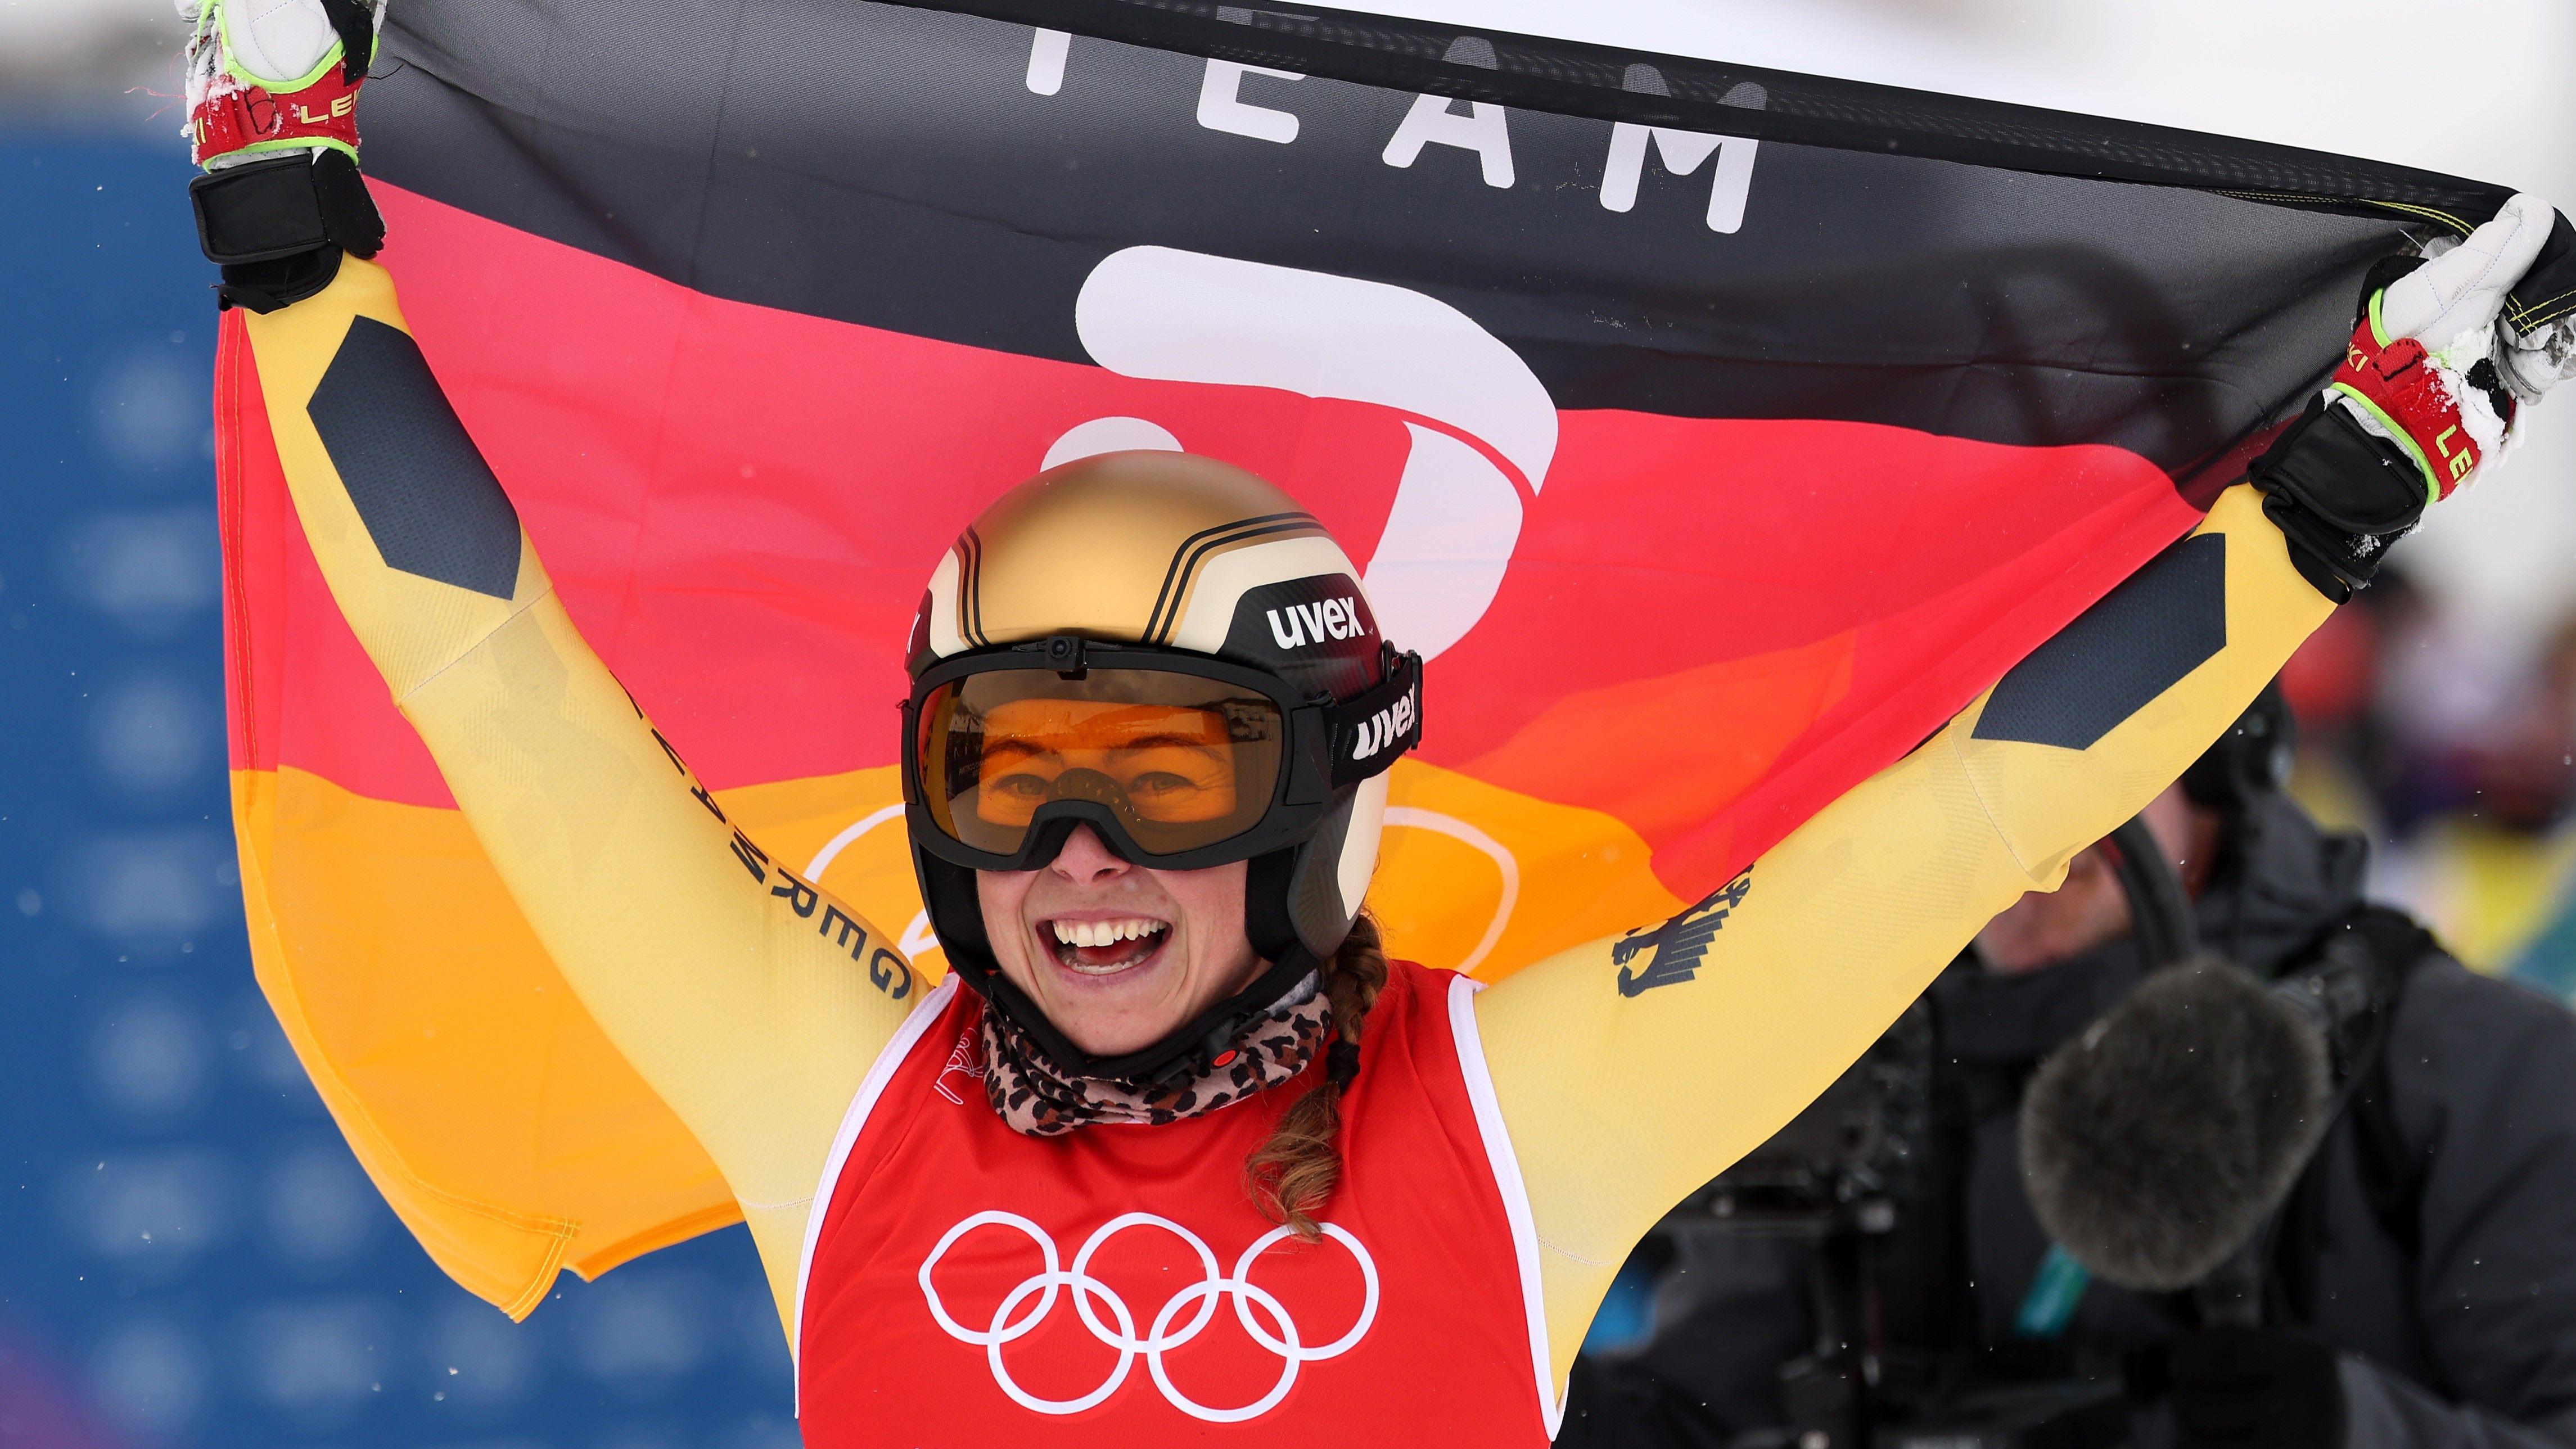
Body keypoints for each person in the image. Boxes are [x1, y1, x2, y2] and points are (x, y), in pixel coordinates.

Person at [179, 0, 2572, 1441]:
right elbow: (498, 674)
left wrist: (2329, 499)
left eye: (1169, 772)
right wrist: (295, 243)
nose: (1077, 858)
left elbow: (1957, 818)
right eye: (1004, 779)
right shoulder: (833, 1089)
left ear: (1320, 801)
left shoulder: (1521, 1113)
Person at [1558, 689, 2576, 1449]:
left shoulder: (2470, 1069)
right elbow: (1700, 1409)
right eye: (1956, 795)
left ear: (2218, 747)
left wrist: (2356, 1427)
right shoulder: (1863, 1058)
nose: (2021, 868)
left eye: (2073, 786)